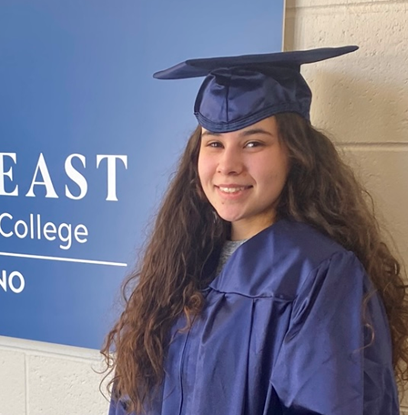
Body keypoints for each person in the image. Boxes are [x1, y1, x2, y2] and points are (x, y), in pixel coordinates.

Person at [102, 46, 408, 415]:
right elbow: (131, 398)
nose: (227, 165)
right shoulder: (180, 263)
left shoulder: (318, 276)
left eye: (253, 143)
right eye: (214, 143)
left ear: (294, 153)